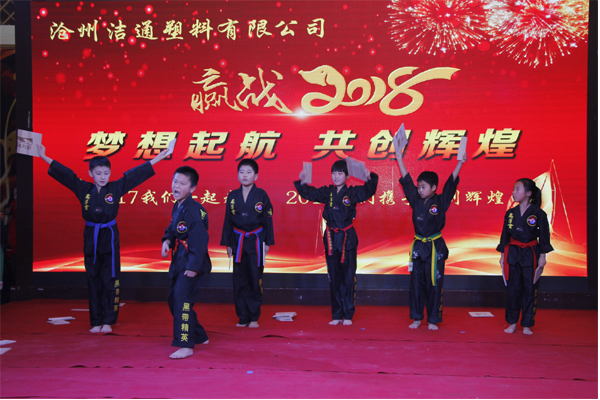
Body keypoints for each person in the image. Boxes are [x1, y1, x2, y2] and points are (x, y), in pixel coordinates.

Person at [38, 143, 168, 333]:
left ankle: (108, 321)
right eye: (98, 173)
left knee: (111, 279)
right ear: (90, 173)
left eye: (106, 173)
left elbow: (134, 175)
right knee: (93, 279)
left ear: (110, 173)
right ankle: (96, 321)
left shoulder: (115, 187)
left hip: (109, 235)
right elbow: (67, 175)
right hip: (91, 235)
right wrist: (44, 156)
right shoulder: (83, 188)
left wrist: (157, 159)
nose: (102, 177)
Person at [294, 159, 378, 325]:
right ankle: (337, 314)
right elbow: (311, 194)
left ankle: (348, 315)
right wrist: (303, 182)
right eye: (334, 173)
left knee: (348, 276)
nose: (336, 176)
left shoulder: (352, 193)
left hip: (347, 238)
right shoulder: (328, 192)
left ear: (347, 176)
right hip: (331, 237)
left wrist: (369, 178)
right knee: (334, 276)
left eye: (340, 173)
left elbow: (368, 192)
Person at [395, 145, 466, 330]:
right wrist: (399, 159)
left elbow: (451, 183)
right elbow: (406, 181)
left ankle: (433, 319)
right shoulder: (415, 199)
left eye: (424, 187)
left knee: (434, 283)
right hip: (419, 247)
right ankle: (417, 318)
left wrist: (460, 162)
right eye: (419, 186)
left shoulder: (441, 201)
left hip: (435, 247)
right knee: (416, 284)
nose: (419, 190)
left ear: (434, 188)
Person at [161, 166, 212, 359]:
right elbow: (173, 228)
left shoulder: (193, 210)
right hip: (180, 259)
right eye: (175, 181)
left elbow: (200, 240)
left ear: (192, 188)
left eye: (182, 183)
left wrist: (193, 267)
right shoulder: (179, 205)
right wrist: (167, 240)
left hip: (191, 262)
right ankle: (199, 336)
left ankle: (185, 345)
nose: (176, 186)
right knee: (173, 299)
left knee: (182, 300)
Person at [220, 159, 274, 328]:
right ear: (237, 175)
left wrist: (267, 242)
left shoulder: (261, 195)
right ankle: (242, 317)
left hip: (256, 241)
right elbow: (228, 220)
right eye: (241, 172)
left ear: (255, 176)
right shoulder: (232, 196)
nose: (245, 175)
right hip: (238, 241)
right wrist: (228, 243)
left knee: (255, 278)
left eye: (249, 172)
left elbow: (268, 220)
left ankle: (253, 317)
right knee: (239, 279)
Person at [497, 178, 553, 335]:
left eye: (518, 189)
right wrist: (502, 256)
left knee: (530, 289)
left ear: (528, 193)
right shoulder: (510, 213)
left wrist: (542, 257)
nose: (514, 192)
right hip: (513, 252)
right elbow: (504, 236)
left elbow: (544, 237)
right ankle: (512, 323)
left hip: (531, 253)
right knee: (513, 289)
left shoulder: (538, 214)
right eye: (513, 189)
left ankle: (527, 324)